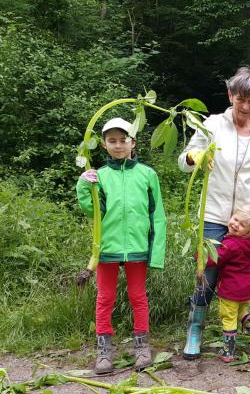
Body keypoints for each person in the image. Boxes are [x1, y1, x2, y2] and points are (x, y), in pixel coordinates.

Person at [178, 67, 250, 358]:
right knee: (209, 274)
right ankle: (195, 333)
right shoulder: (212, 125)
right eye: (241, 100)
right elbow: (183, 163)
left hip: (248, 220)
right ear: (230, 95)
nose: (246, 107)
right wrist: (195, 155)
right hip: (213, 215)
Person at [76, 117, 166, 374]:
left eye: (123, 140)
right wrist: (84, 186)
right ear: (103, 145)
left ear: (133, 142)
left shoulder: (148, 174)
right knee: (105, 297)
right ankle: (104, 351)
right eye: (112, 141)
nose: (118, 145)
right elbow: (94, 212)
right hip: (107, 248)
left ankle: (142, 347)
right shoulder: (100, 176)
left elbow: (157, 215)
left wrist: (156, 252)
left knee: (138, 296)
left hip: (137, 247)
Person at [199, 205, 250, 362]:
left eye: (242, 225)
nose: (236, 224)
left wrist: (200, 256)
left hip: (230, 290)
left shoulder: (231, 245)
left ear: (248, 232)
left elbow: (215, 259)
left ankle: (228, 351)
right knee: (241, 313)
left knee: (228, 317)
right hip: (245, 290)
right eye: (235, 219)